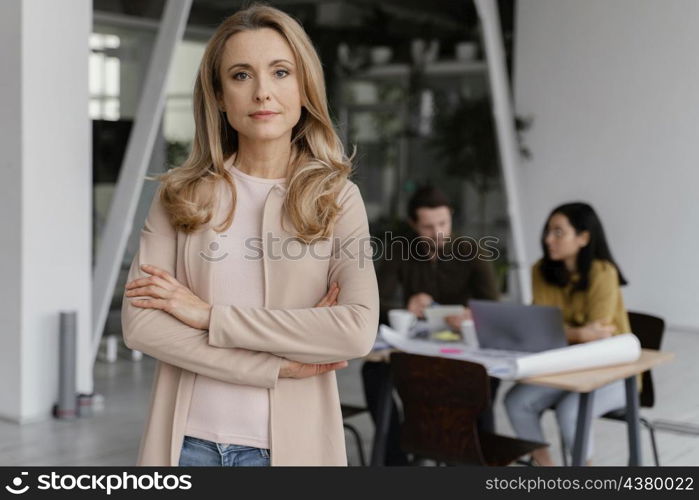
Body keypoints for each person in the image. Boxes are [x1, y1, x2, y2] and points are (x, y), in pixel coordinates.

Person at [120, 5, 379, 467]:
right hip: (186, 446)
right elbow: (142, 326)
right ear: (220, 95)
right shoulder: (179, 196)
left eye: (281, 72)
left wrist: (206, 317)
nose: (263, 92)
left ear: (304, 87)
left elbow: (356, 330)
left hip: (290, 449)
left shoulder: (338, 198)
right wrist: (277, 364)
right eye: (241, 76)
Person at [362, 186, 500, 465]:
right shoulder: (400, 249)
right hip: (419, 346)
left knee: (483, 381)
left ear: (450, 216)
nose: (437, 233)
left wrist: (469, 314)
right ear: (414, 224)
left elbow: (493, 307)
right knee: (373, 373)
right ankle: (395, 461)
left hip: (461, 346)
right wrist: (406, 309)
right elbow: (374, 302)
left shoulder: (471, 251)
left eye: (443, 223)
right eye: (427, 227)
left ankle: (470, 455)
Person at [504, 202, 631, 466]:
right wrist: (578, 333)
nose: (548, 239)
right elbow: (541, 328)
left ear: (584, 238)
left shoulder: (604, 273)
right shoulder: (541, 271)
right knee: (516, 401)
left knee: (570, 411)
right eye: (548, 231)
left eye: (558, 232)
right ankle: (546, 468)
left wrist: (566, 333)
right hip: (563, 366)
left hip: (613, 372)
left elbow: (599, 335)